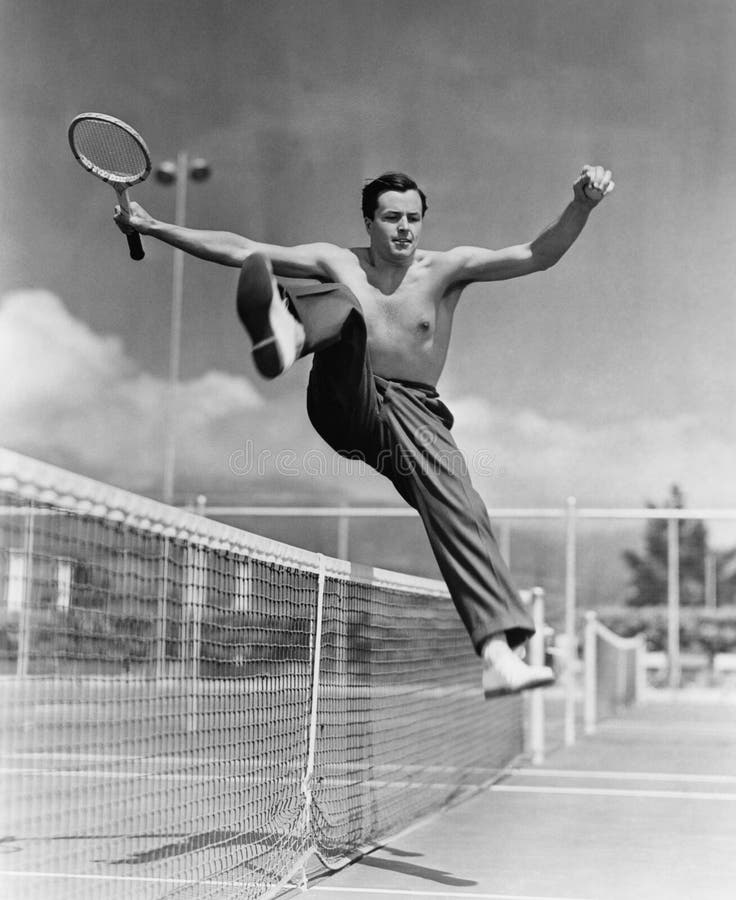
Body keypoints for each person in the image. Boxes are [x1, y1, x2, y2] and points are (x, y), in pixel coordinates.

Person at [115, 164, 614, 698]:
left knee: (463, 506)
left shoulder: (448, 269)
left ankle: (498, 654)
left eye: (414, 219)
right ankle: (291, 328)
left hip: (416, 414)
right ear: (369, 222)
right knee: (345, 308)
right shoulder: (339, 260)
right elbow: (242, 249)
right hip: (347, 401)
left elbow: (538, 254)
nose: (405, 229)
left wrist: (581, 204)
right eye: (392, 218)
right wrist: (153, 226)